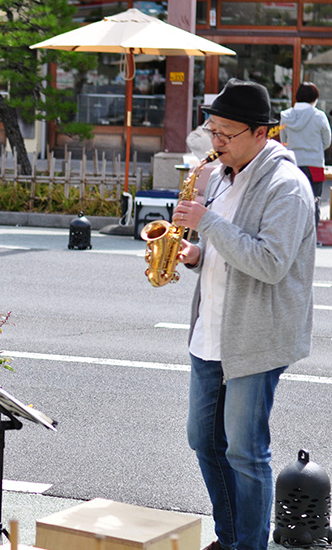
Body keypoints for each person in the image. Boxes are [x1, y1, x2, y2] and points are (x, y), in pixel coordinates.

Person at [173, 79, 315, 550]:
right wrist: (195, 253)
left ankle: (250, 546)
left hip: (255, 337)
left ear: (261, 133)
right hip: (209, 333)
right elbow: (225, 250)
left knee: (245, 451)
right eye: (211, 131)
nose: (215, 144)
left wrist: (207, 222)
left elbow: (270, 263)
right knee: (202, 440)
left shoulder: (287, 187)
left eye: (225, 134)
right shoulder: (219, 177)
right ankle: (231, 536)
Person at [280, 82, 332, 230]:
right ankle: (310, 240)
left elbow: (284, 141)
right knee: (314, 203)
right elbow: (327, 141)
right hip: (314, 164)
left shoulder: (286, 116)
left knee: (292, 203)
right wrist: (315, 148)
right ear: (314, 98)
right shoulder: (319, 116)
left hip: (292, 165)